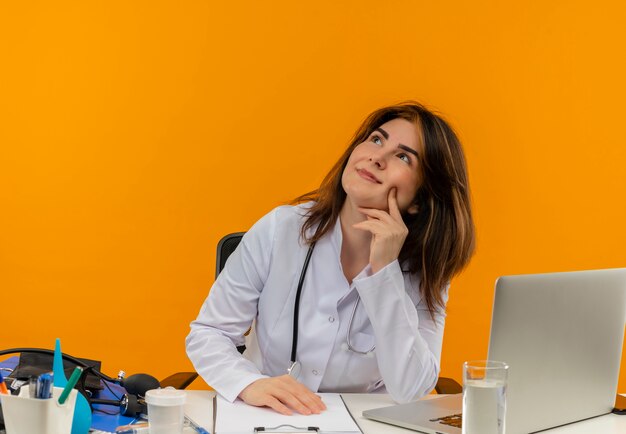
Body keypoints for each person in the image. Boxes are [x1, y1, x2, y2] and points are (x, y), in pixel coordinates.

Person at [186, 101, 475, 416]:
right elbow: (208, 332)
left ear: (420, 199)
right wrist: (247, 383)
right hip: (272, 419)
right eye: (376, 139)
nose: (377, 157)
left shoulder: (425, 269)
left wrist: (385, 273)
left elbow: (410, 389)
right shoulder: (280, 230)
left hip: (367, 425)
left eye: (403, 156)